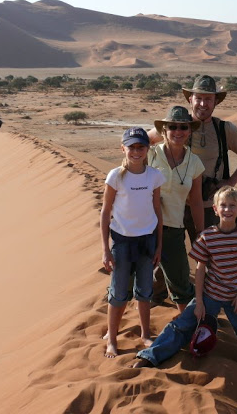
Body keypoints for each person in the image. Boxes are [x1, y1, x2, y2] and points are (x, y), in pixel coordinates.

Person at [132, 186, 237, 370]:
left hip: (236, 296)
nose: (227, 210)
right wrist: (199, 302)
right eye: (223, 205)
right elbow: (200, 270)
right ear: (215, 209)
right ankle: (150, 356)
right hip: (209, 294)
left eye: (232, 205)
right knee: (180, 324)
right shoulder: (207, 236)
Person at [149, 75, 237, 241]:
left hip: (208, 207)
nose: (202, 104)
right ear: (190, 100)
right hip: (172, 204)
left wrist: (230, 182)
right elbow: (143, 140)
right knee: (163, 256)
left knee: (208, 256)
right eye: (198, 98)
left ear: (216, 102)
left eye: (208, 99)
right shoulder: (177, 125)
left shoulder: (225, 129)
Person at [100, 127, 165, 358]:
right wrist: (106, 250)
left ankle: (145, 334)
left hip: (147, 242)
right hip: (122, 242)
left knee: (145, 292)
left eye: (141, 147)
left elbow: (158, 211)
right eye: (132, 147)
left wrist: (159, 246)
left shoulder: (154, 176)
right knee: (118, 293)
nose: (136, 151)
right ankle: (112, 339)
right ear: (123, 148)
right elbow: (105, 212)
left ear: (148, 149)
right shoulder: (116, 176)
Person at [149, 106, 205, 313]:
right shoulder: (149, 155)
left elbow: (196, 201)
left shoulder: (194, 162)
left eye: (183, 127)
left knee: (180, 284)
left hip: (173, 229)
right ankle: (114, 334)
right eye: (172, 126)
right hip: (143, 227)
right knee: (131, 280)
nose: (178, 131)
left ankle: (190, 328)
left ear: (190, 131)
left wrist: (200, 232)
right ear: (164, 130)